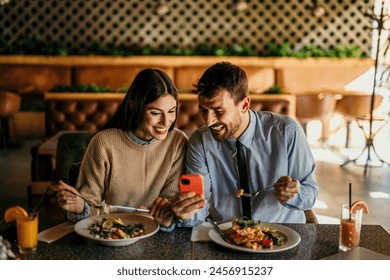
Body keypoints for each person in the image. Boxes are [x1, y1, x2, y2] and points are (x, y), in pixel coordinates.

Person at [55, 68, 205, 230]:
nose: (166, 121)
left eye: (171, 111)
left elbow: (169, 206)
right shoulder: (103, 142)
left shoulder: (177, 142)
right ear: (134, 106)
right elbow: (90, 207)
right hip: (109, 234)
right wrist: (79, 207)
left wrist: (169, 216)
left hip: (155, 235)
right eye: (155, 113)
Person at [179, 62, 319, 224]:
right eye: (204, 110)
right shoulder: (200, 141)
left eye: (219, 111)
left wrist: (295, 194)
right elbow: (198, 208)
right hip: (226, 236)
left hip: (284, 233)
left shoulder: (287, 131)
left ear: (244, 105)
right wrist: (185, 215)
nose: (209, 121)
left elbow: (311, 194)